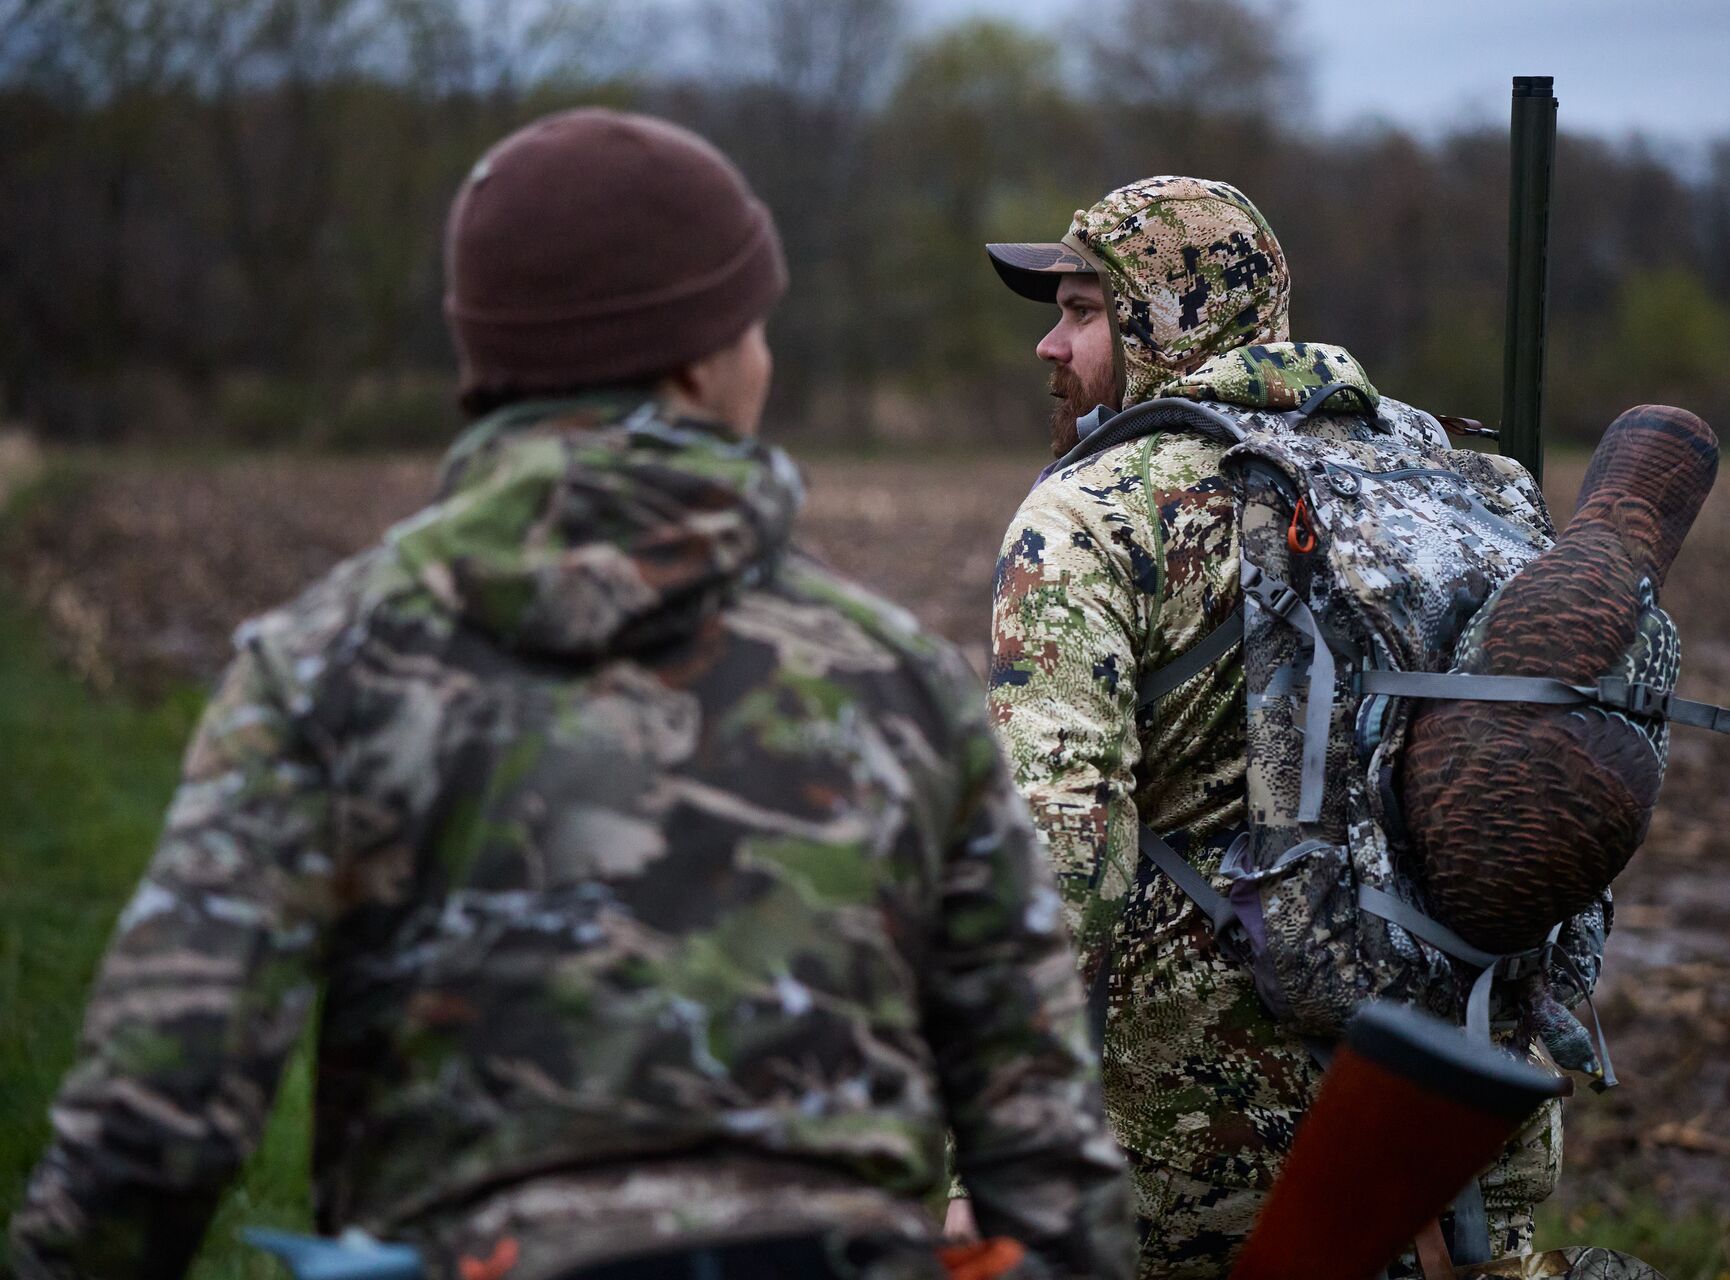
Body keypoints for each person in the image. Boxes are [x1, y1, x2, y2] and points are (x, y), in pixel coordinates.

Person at [8, 110, 1135, 1280]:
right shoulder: (898, 681)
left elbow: (145, 1136)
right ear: (700, 359)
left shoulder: (321, 669)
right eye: (751, 321)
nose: (765, 355)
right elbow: (1049, 1160)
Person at [975, 176, 1604, 1278]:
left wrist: (977, 1164)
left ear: (1169, 318)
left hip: (1197, 1166)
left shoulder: (1094, 512)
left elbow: (1056, 871)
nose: (1049, 344)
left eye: (1081, 310)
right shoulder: (1463, 481)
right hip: (1454, 1136)